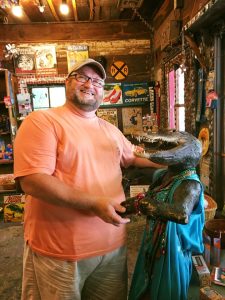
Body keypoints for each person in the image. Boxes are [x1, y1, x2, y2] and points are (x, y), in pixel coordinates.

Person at [14, 58, 164, 300]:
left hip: (113, 248)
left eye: (97, 80)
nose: (89, 84)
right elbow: (32, 180)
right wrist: (92, 203)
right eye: (82, 77)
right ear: (67, 82)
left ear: (102, 90)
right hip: (61, 253)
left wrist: (177, 159)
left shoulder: (110, 130)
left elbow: (136, 155)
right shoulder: (43, 121)